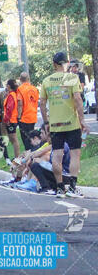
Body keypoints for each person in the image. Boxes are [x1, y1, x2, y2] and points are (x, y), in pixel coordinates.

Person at [40, 51, 89, 198]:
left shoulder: (46, 81)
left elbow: (42, 104)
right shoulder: (72, 78)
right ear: (65, 63)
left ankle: (60, 188)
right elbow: (78, 100)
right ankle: (73, 187)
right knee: (75, 155)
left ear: (54, 64)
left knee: (57, 155)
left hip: (56, 125)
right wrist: (82, 120)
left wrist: (47, 122)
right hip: (72, 124)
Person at [17, 72, 39, 151]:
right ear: (28, 79)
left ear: (20, 79)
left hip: (24, 118)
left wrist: (18, 116)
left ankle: (29, 154)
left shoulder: (20, 89)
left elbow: (20, 104)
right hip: (32, 116)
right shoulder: (35, 89)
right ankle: (34, 152)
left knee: (26, 139)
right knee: (32, 137)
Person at [3, 79, 21, 159]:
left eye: (6, 85)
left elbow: (9, 108)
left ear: (9, 86)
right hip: (12, 120)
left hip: (11, 120)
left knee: (14, 139)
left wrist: (6, 120)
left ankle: (17, 157)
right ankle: (16, 157)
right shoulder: (12, 94)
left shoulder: (11, 95)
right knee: (13, 139)